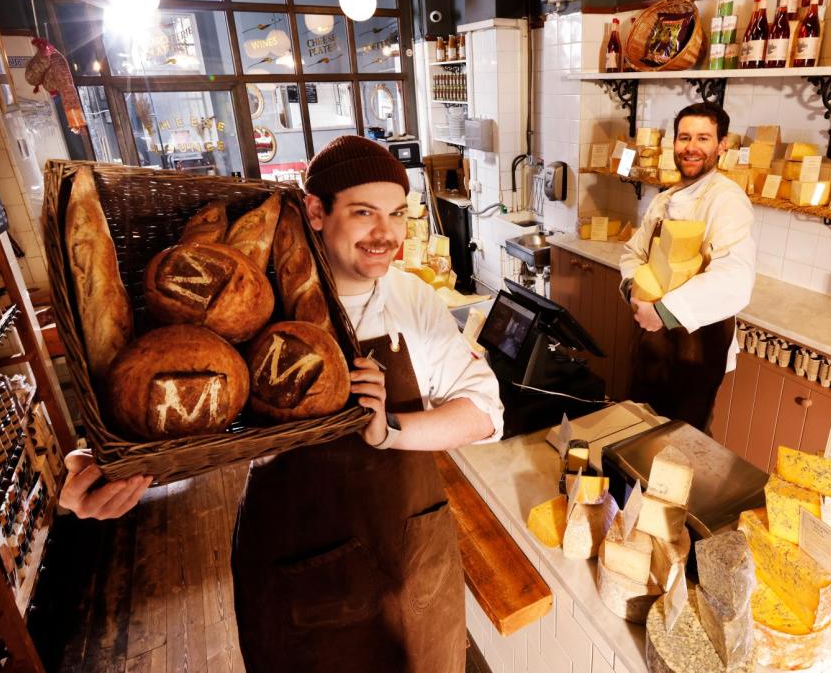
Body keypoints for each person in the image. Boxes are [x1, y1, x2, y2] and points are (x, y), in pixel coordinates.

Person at [60, 135, 504, 673]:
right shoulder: (244, 312)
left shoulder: (412, 300)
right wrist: (107, 467)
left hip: (413, 563)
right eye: (364, 213)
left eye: (397, 214)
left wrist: (389, 428)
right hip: (302, 575)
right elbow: (167, 409)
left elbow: (485, 413)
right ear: (316, 211)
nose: (386, 234)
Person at [619, 102, 755, 430]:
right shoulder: (665, 199)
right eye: (684, 138)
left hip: (695, 346)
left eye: (703, 138)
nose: (691, 148)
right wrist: (633, 292)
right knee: (637, 427)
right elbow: (632, 253)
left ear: (721, 145)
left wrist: (664, 311)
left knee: (680, 443)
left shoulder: (727, 200)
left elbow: (735, 278)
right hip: (651, 339)